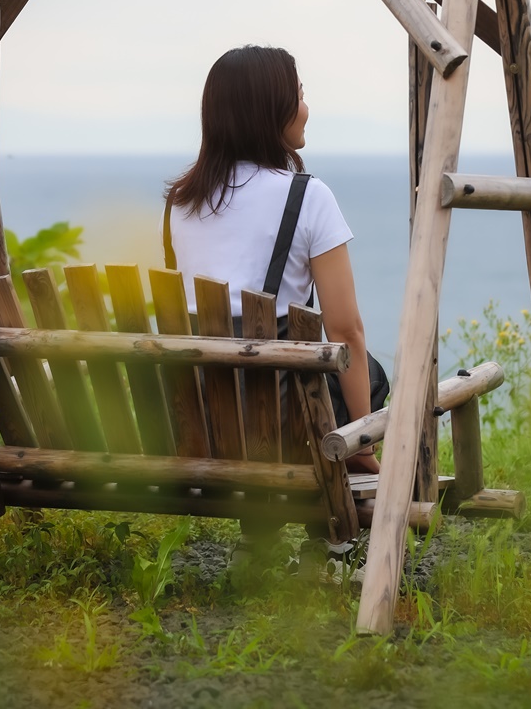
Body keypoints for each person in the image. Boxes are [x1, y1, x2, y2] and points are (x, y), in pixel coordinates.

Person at [162, 44, 385, 478]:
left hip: (199, 421)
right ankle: (336, 535)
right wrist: (360, 439)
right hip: (279, 423)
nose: (306, 108)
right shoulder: (308, 196)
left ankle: (257, 537)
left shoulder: (180, 203)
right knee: (369, 372)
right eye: (299, 95)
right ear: (272, 109)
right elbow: (345, 330)